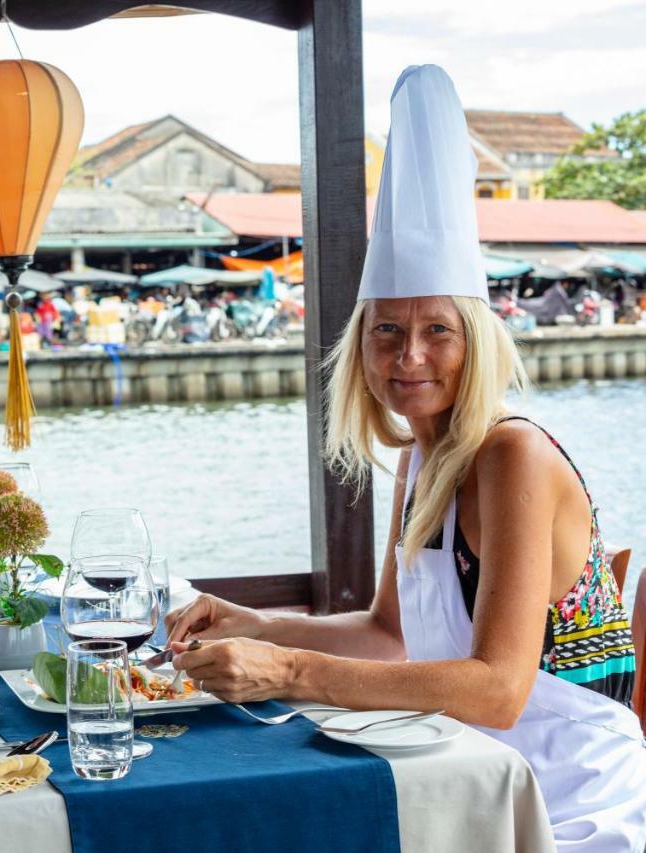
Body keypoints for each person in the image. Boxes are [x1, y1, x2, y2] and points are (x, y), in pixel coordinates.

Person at [166, 65, 646, 852]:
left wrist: (285, 667)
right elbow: (389, 633)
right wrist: (253, 621)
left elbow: (497, 688)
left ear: (476, 339)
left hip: (569, 798)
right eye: (386, 330)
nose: (408, 355)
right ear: (359, 346)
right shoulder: (423, 459)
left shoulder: (513, 453)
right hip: (468, 777)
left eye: (437, 331)